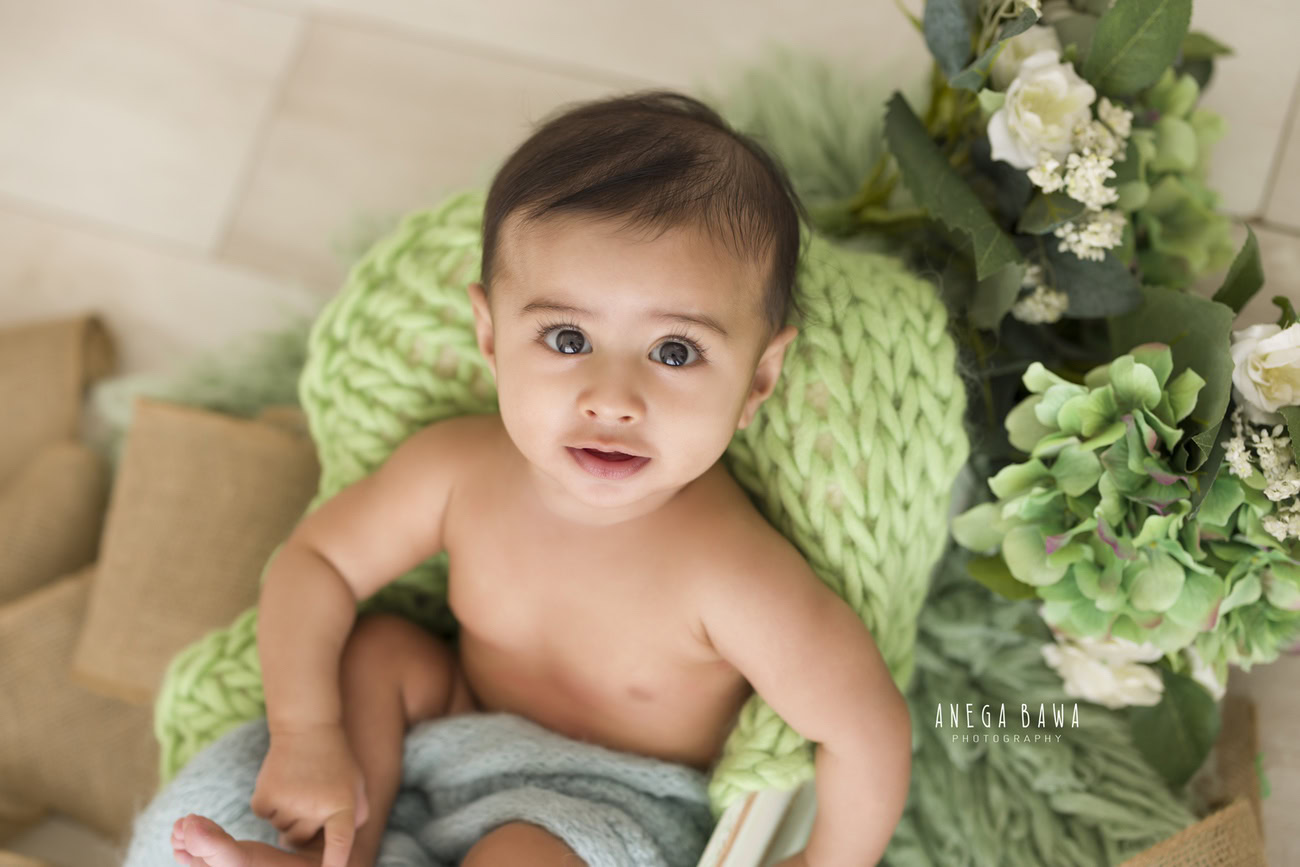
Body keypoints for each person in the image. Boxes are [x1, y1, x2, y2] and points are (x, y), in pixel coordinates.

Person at [170, 90, 911, 867]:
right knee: (383, 651)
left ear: (759, 380)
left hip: (614, 809)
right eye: (567, 337)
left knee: (522, 854)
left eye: (675, 352)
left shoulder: (731, 571)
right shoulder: (458, 471)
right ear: (490, 337)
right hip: (457, 736)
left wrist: (828, 863)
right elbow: (315, 562)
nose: (614, 399)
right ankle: (336, 853)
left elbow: (865, 728)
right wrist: (306, 731)